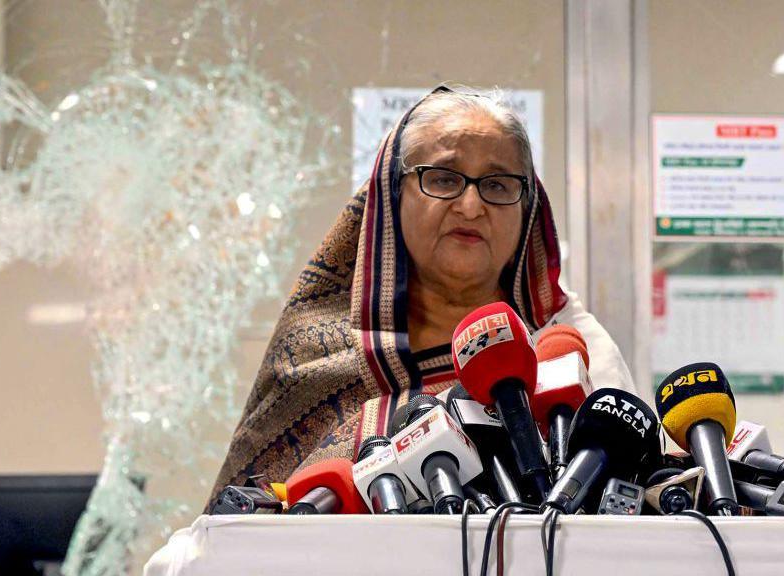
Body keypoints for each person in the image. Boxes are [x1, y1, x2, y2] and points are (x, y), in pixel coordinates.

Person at [207, 85, 635, 504]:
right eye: (444, 179)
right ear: (394, 195)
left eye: (498, 185)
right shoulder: (312, 353)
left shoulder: (572, 351)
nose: (471, 206)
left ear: (528, 209)